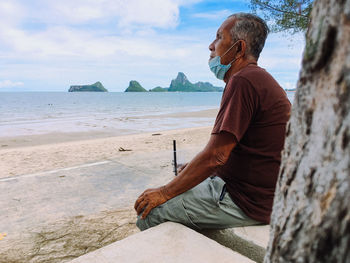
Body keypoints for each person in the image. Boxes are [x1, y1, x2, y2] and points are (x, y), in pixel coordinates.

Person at [134, 13, 291, 231]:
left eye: (218, 37)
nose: (211, 45)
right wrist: (197, 170)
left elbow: (216, 155)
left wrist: (164, 192)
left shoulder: (243, 81)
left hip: (248, 201)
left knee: (149, 214)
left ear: (238, 48)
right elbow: (237, 149)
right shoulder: (255, 79)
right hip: (262, 195)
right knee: (184, 180)